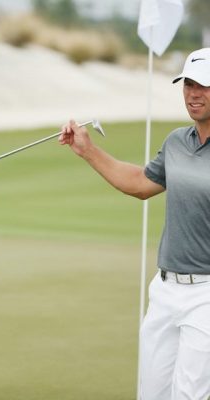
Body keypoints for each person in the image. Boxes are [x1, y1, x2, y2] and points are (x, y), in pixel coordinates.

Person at [59, 47, 210, 400]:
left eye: (203, 85)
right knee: (151, 393)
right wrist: (87, 150)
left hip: (207, 294)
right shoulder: (177, 142)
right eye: (188, 84)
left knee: (190, 395)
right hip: (166, 288)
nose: (193, 93)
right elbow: (141, 183)